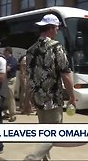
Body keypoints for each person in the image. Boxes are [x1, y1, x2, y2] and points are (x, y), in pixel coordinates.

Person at [24, 14, 76, 161]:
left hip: (38, 99)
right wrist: (72, 97)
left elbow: (29, 78)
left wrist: (27, 100)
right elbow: (66, 74)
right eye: (57, 28)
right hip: (53, 98)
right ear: (51, 29)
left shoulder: (30, 50)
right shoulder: (56, 47)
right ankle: (32, 158)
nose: (57, 31)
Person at [3, 47, 18, 122]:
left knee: (10, 97)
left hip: (10, 80)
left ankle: (13, 114)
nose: (3, 53)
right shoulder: (5, 59)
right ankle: (6, 112)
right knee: (4, 97)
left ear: (8, 52)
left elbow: (7, 69)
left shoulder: (12, 60)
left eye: (5, 51)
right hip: (5, 80)